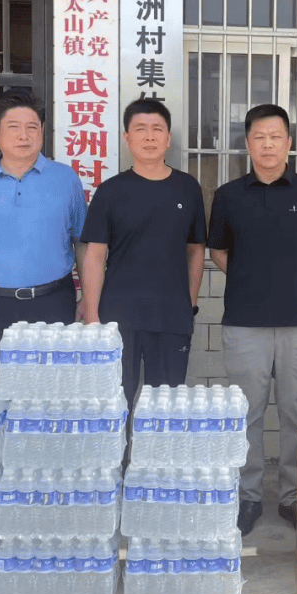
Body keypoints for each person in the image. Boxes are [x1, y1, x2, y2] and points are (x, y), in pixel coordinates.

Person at [207, 104, 297, 535]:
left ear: (288, 143)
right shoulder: (228, 195)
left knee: (296, 412)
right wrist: (252, 276)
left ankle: (290, 495)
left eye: (276, 136)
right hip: (244, 323)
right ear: (247, 144)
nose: (267, 144)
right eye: (259, 137)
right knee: (245, 413)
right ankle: (248, 496)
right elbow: (219, 252)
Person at [0, 89, 87, 388]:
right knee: (2, 392)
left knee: (56, 394)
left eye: (32, 127)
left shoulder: (66, 180)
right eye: (14, 127)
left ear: (42, 132)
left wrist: (88, 298)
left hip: (54, 302)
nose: (23, 136)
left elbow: (83, 244)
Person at [80, 98, 206, 409]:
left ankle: (156, 461)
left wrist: (189, 304)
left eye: (156, 129)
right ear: (126, 137)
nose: (149, 137)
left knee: (164, 405)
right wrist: (94, 316)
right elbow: (95, 255)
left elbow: (196, 250)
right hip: (118, 317)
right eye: (140, 129)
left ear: (168, 138)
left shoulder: (188, 188)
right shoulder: (110, 191)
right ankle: (117, 460)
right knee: (113, 403)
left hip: (171, 317)